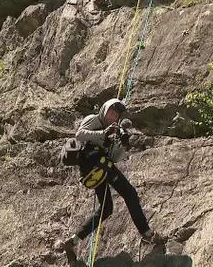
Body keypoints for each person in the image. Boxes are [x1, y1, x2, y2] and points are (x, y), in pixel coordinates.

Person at [55, 98, 165, 263]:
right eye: (111, 112)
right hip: (95, 164)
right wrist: (103, 133)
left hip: (100, 170)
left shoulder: (115, 131)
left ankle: (72, 241)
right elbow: (80, 134)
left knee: (106, 209)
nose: (113, 116)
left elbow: (115, 158)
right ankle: (147, 234)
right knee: (129, 193)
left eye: (116, 115)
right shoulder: (94, 119)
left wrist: (123, 144)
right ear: (104, 109)